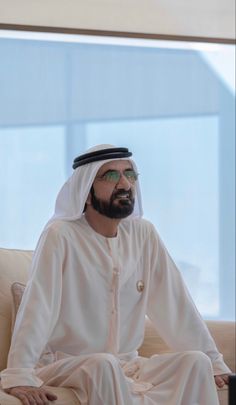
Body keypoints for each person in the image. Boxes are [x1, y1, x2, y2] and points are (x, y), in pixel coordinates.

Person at [0, 144, 231, 405]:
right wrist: (19, 374)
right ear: (86, 192)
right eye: (111, 176)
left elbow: (176, 304)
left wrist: (214, 361)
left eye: (130, 175)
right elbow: (38, 305)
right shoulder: (61, 235)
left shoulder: (143, 234)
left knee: (196, 362)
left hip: (126, 365)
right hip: (66, 363)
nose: (125, 184)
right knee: (103, 365)